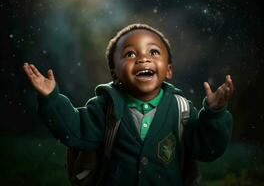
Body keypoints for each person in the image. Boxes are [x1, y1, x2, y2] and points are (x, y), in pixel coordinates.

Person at [23, 23, 234, 186]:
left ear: (168, 70)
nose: (143, 59)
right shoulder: (105, 106)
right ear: (114, 73)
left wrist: (214, 113)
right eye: (130, 54)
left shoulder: (182, 110)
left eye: (153, 52)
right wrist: (51, 98)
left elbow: (208, 150)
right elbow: (74, 131)